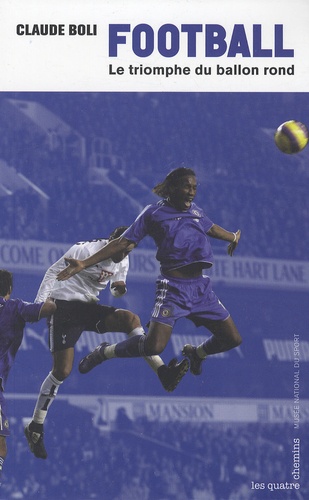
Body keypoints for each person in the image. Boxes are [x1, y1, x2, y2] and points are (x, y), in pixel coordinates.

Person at [57, 167, 242, 380]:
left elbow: (211, 228)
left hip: (201, 288)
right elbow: (122, 243)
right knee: (154, 346)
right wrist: (84, 263)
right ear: (172, 188)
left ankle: (197, 354)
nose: (191, 192)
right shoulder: (153, 213)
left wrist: (232, 237)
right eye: (186, 187)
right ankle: (105, 351)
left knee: (232, 339)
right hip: (174, 288)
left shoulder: (195, 210)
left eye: (194, 187)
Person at [24, 226, 188, 460]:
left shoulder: (124, 259)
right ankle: (36, 426)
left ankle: (162, 371)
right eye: (122, 249)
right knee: (62, 370)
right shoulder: (84, 250)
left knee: (130, 319)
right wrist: (38, 304)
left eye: (129, 250)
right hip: (65, 307)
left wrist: (119, 289)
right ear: (112, 242)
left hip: (89, 308)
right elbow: (52, 271)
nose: (124, 255)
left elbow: (116, 286)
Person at [0, 269, 56, 483]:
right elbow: (48, 308)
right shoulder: (14, 307)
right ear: (10, 290)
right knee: (1, 447)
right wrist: (53, 296)